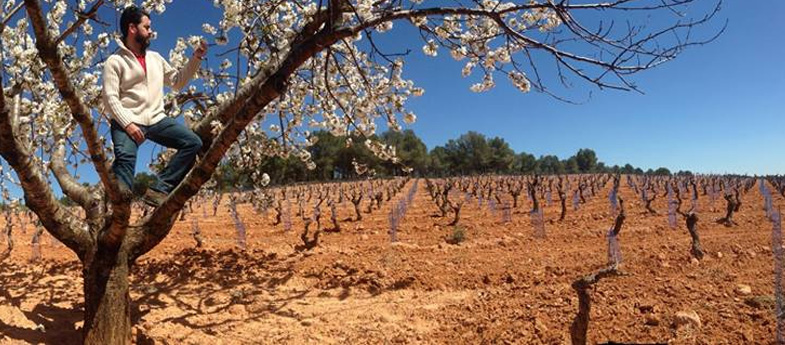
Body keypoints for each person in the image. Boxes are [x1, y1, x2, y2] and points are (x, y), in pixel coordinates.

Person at [102, 6, 206, 207]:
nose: (151, 31)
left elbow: (177, 81)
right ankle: (118, 213)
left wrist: (196, 58)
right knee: (125, 161)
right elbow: (110, 98)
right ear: (132, 28)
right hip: (127, 121)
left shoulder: (156, 59)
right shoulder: (115, 61)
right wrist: (129, 124)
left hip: (157, 119)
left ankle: (159, 189)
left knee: (193, 143)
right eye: (147, 27)